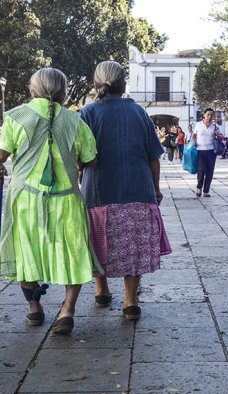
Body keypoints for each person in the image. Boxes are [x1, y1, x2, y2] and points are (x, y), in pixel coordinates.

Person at [0, 68, 103, 335]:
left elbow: (2, 153)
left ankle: (34, 309)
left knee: (25, 253)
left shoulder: (17, 117)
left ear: (34, 90)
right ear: (63, 92)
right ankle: (67, 312)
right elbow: (92, 159)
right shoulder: (76, 121)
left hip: (27, 202)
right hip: (66, 202)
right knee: (73, 255)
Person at [80, 61, 171, 321]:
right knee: (133, 245)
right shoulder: (139, 113)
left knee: (97, 241)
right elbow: (154, 156)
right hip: (138, 190)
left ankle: (101, 290)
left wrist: (79, 172)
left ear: (96, 86)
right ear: (124, 86)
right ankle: (130, 300)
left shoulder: (87, 113)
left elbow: (80, 155)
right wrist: (155, 189)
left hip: (98, 192)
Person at [194, 107, 222, 197]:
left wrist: (218, 134)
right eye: (208, 114)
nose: (210, 116)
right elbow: (193, 135)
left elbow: (221, 137)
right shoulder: (198, 124)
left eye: (211, 115)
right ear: (204, 115)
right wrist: (194, 141)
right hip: (200, 150)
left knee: (210, 171)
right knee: (201, 170)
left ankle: (206, 191)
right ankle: (199, 188)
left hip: (211, 151)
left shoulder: (215, 126)